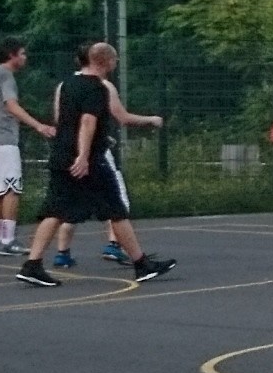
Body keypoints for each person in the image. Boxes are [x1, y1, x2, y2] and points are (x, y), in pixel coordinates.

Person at [19, 40, 175, 287]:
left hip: (61, 154)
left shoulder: (67, 84)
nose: (116, 64)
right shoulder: (97, 88)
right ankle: (142, 264)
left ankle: (32, 264)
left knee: (55, 210)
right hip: (87, 161)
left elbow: (64, 120)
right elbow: (87, 122)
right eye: (114, 60)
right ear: (104, 62)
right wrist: (83, 156)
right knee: (116, 209)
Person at [0, 39, 49, 257]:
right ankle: (8, 240)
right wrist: (38, 125)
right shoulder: (6, 75)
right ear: (12, 55)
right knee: (11, 189)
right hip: (5, 140)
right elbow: (11, 105)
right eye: (22, 53)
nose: (25, 57)